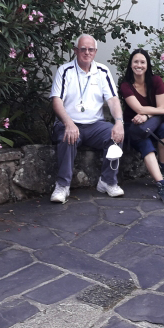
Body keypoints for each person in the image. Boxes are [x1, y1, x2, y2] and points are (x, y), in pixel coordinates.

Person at [49, 34, 126, 203]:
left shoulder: (102, 71)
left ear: (95, 52)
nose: (87, 52)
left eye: (91, 49)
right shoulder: (65, 71)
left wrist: (119, 122)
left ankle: (107, 181)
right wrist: (68, 123)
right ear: (76, 50)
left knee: (116, 135)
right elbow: (57, 101)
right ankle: (62, 185)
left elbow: (113, 100)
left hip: (95, 125)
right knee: (67, 136)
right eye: (83, 49)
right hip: (69, 123)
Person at [118, 48, 164, 205]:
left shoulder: (156, 81)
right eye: (135, 62)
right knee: (145, 143)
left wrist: (147, 116)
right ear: (130, 65)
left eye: (142, 62)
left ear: (147, 64)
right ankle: (162, 185)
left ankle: (163, 167)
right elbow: (139, 108)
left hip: (153, 122)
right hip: (134, 127)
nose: (139, 65)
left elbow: (160, 106)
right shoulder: (126, 85)